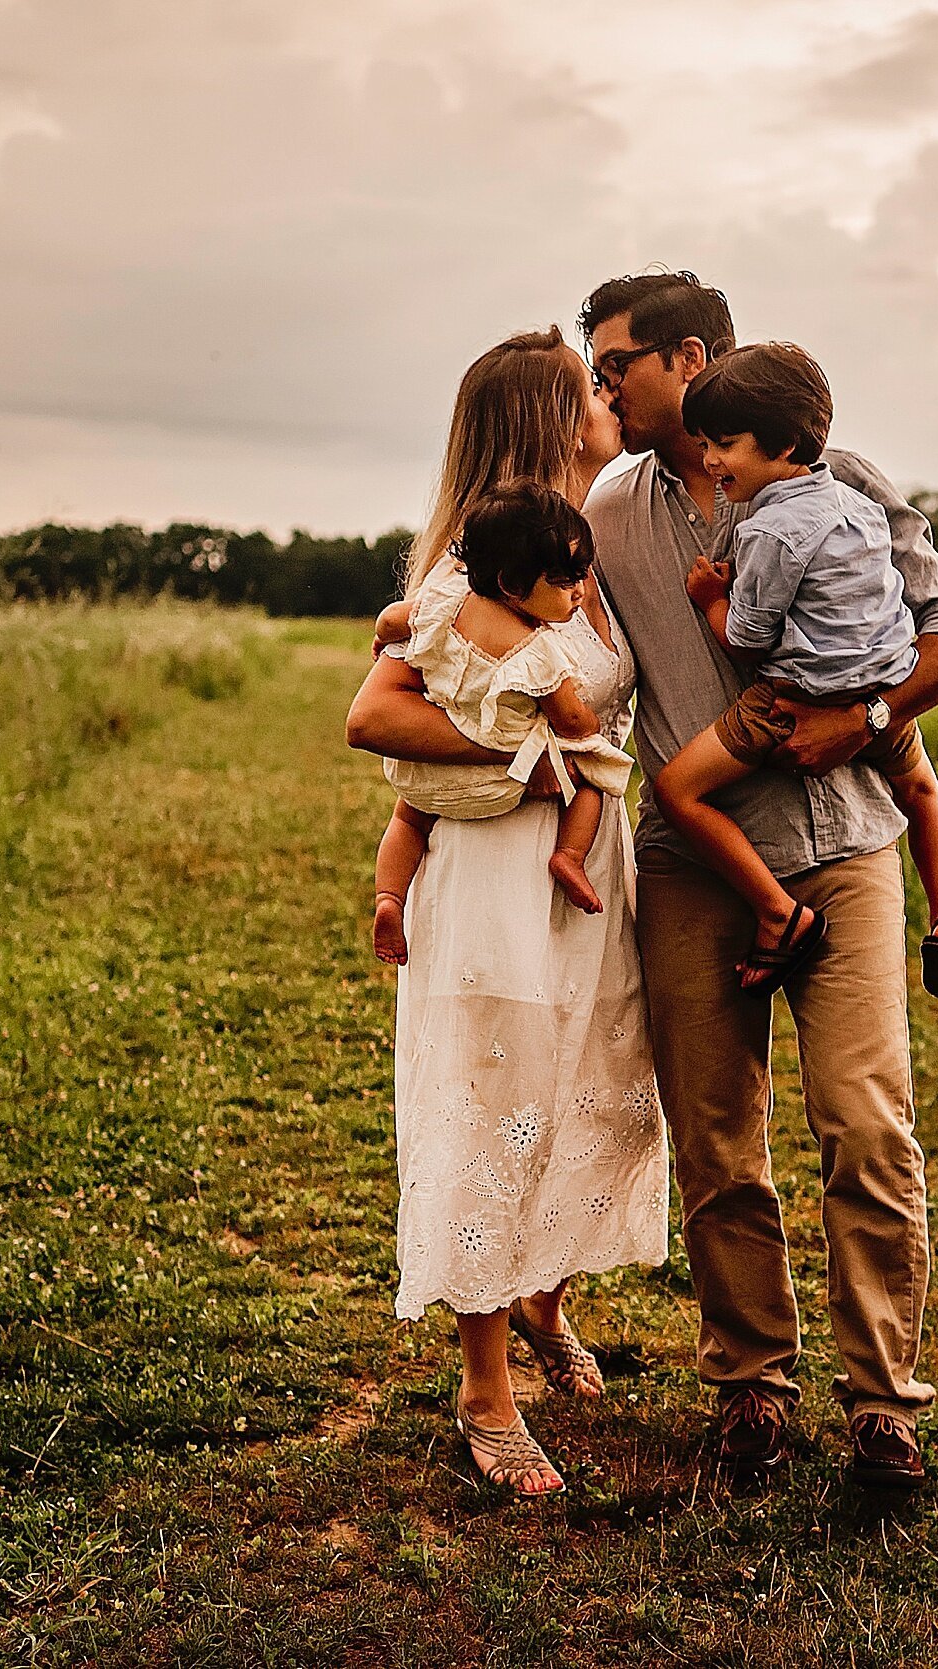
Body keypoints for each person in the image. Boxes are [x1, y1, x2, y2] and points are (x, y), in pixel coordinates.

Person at [580, 272, 938, 1492]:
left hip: (847, 837)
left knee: (866, 1124)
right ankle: (752, 1385)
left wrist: (865, 712)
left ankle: (883, 1406)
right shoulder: (609, 515)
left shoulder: (845, 483)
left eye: (616, 364)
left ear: (689, 359)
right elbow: (534, 609)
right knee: (715, 1139)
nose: (603, 385)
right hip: (696, 865)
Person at [347, 326, 666, 1500]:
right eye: (587, 386)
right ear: (546, 419)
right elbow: (372, 719)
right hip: (496, 876)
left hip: (591, 871)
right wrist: (534, 756)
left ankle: (543, 1295)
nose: (607, 394)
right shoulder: (475, 573)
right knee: (497, 1094)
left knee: (588, 1082)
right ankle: (483, 1390)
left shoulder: (582, 547)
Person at [652, 341, 938, 1002]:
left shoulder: (767, 533)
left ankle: (779, 914)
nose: (712, 460)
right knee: (920, 794)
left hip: (791, 700)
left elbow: (746, 639)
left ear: (783, 444)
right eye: (706, 443)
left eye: (727, 444)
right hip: (880, 692)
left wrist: (712, 599)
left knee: (676, 792)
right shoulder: (860, 506)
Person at [366, 484, 634, 966]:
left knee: (407, 818)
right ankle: (568, 857)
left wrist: (384, 638)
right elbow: (572, 719)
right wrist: (586, 724)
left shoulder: (446, 605)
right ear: (512, 585)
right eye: (564, 580)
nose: (581, 590)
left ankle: (389, 896)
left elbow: (390, 619)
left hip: (438, 770)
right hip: (509, 777)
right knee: (594, 780)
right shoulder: (539, 651)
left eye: (582, 575)